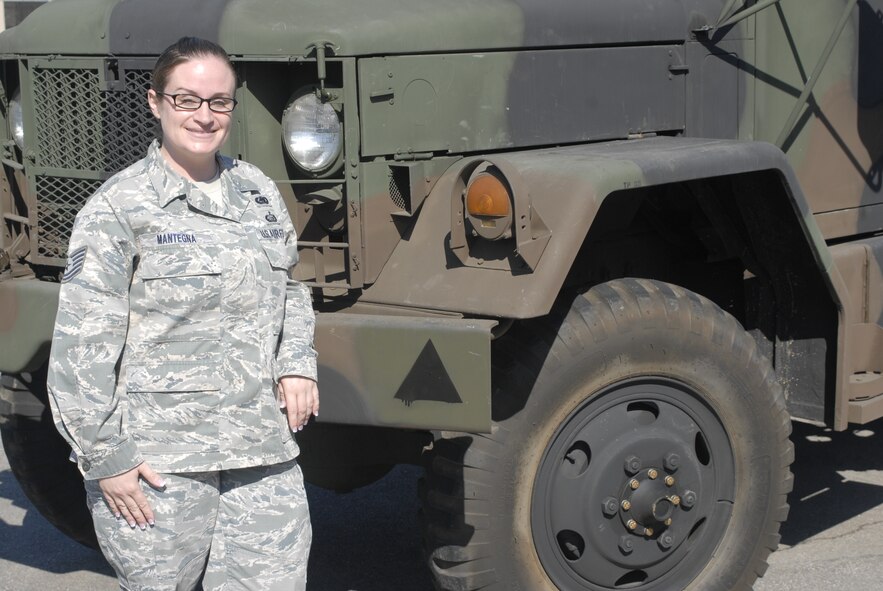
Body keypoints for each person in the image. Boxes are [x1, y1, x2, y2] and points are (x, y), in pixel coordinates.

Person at [47, 36, 319, 590]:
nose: (205, 115)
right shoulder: (119, 208)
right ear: (155, 103)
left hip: (261, 453)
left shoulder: (258, 191)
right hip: (159, 464)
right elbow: (82, 347)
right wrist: (108, 458)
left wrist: (296, 361)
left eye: (219, 101)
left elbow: (289, 288)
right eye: (187, 100)